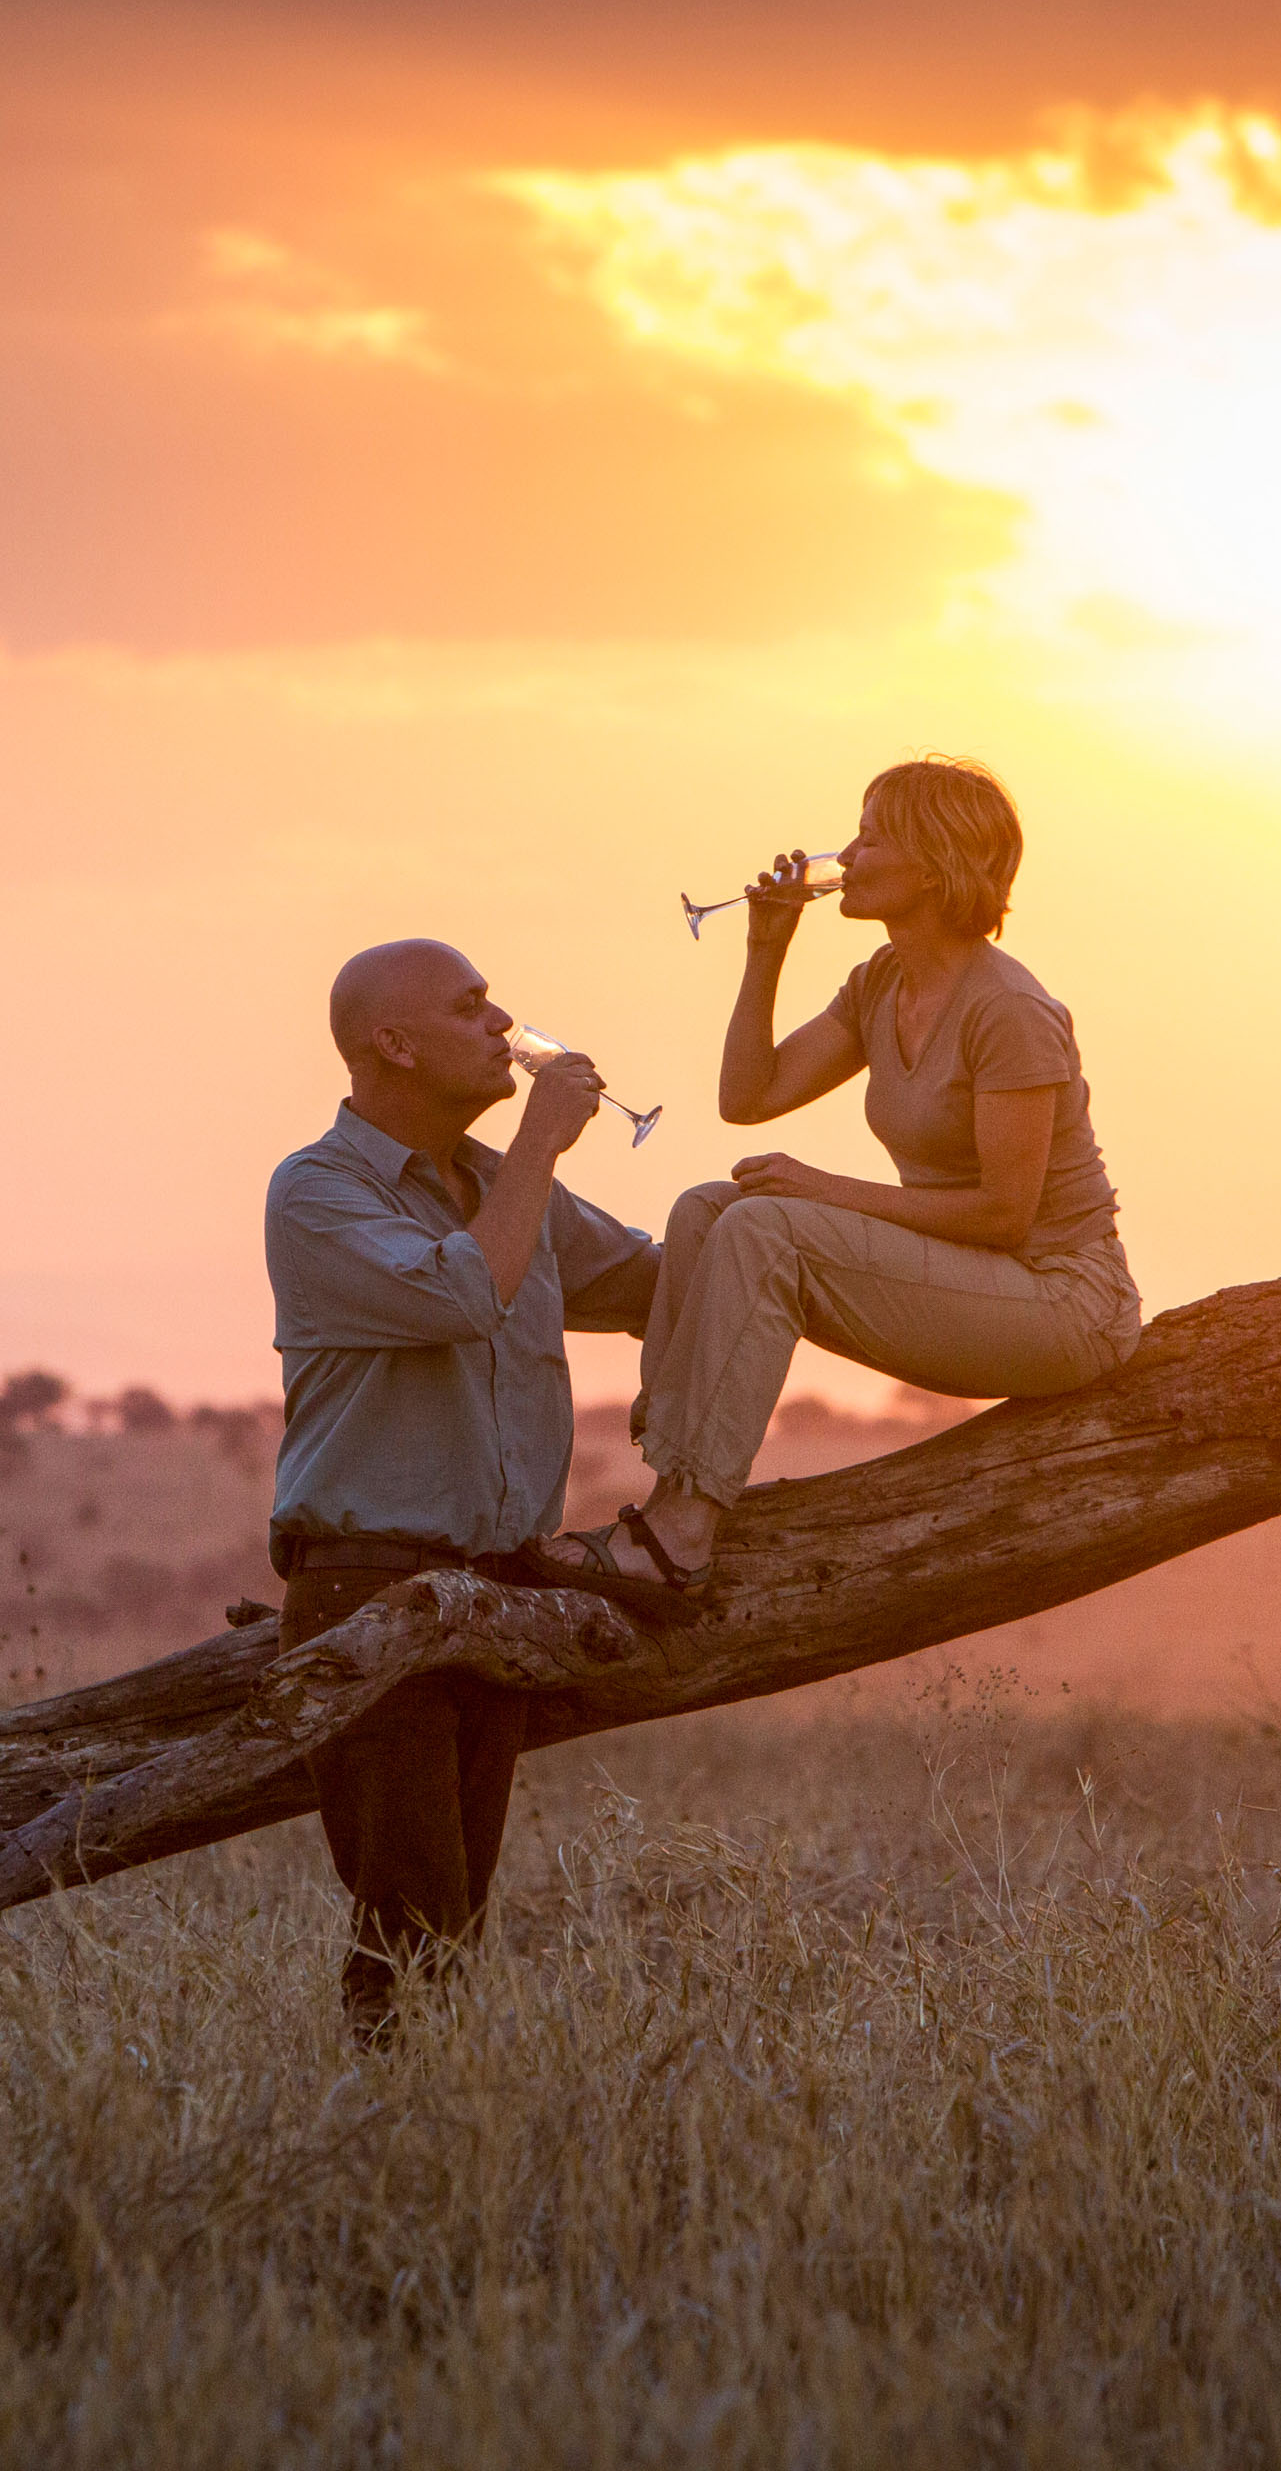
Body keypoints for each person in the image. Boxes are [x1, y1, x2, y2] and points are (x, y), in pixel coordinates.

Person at [548, 753, 1141, 1595]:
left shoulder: (1007, 1010)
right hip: (975, 1277)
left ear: (933, 867)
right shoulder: (881, 983)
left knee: (767, 1225)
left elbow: (1003, 1217)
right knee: (707, 1209)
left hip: (1063, 1302)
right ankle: (669, 1490)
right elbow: (748, 1098)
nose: (847, 856)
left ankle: (681, 1535)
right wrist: (765, 949)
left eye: (870, 839)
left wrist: (818, 1188)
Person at [266, 938, 659, 2045]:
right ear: (393, 1043)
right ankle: (390, 2121)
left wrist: (779, 1231)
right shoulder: (316, 1191)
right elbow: (461, 1295)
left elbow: (651, 1281)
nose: (503, 1025)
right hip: (370, 1592)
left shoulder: (498, 1186)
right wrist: (539, 1140)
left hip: (497, 1595)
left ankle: (415, 2118)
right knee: (414, 1925)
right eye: (471, 1005)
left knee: (453, 1923)